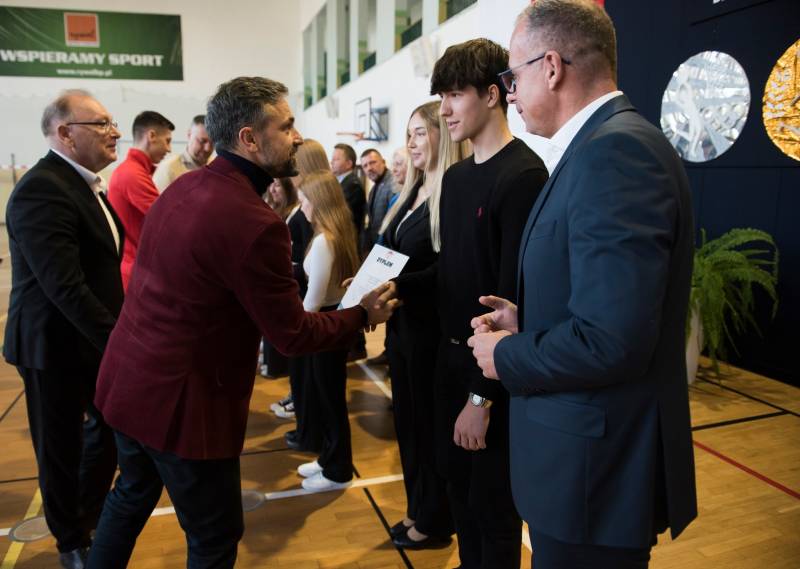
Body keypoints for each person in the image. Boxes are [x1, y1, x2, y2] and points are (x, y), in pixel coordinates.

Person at [87, 77, 396, 569]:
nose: (297, 136)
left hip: (128, 382)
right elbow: (292, 334)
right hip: (181, 406)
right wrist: (361, 314)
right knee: (213, 538)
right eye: (287, 126)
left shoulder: (184, 187)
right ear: (250, 138)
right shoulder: (254, 222)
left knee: (129, 497)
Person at [466, 2, 697, 568]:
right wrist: (527, 319)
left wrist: (506, 354)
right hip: (581, 467)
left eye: (512, 76)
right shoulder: (597, 148)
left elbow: (613, 340)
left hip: (594, 476)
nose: (510, 94)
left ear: (551, 68)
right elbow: (605, 305)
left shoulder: (615, 152)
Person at [375, 38, 549, 569]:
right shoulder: (455, 177)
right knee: (457, 495)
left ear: (492, 95)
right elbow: (452, 272)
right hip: (447, 362)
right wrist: (398, 289)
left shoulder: (523, 175)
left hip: (490, 373)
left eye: (454, 95)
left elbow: (510, 301)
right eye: (441, 97)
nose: (445, 109)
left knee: (493, 511)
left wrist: (481, 398)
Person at [3, 89, 124, 569]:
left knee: (111, 431)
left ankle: (87, 515)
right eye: (102, 124)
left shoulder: (85, 185)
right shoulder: (42, 189)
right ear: (65, 133)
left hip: (87, 339)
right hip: (51, 345)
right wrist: (119, 342)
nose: (115, 131)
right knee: (59, 448)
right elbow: (65, 287)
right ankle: (70, 541)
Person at [380, 101, 470, 550]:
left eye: (420, 132)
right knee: (408, 427)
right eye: (408, 133)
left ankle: (434, 521)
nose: (411, 143)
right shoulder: (412, 191)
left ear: (442, 135)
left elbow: (447, 271)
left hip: (430, 333)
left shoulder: (451, 193)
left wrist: (397, 286)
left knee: (429, 428)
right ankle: (418, 507)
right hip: (401, 329)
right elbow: (388, 253)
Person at [294, 171, 361, 491]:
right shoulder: (335, 234)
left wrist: (293, 328)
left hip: (323, 325)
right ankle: (328, 458)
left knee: (330, 400)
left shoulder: (324, 241)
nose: (301, 207)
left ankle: (338, 469)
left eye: (304, 200)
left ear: (318, 202)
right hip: (332, 322)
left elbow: (313, 300)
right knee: (328, 397)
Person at [108, 111, 174, 291]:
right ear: (151, 136)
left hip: (137, 269)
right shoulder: (132, 174)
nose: (169, 149)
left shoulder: (134, 171)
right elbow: (169, 220)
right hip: (134, 273)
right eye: (167, 141)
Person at [331, 142, 368, 361]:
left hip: (350, 247)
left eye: (336, 159)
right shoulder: (342, 183)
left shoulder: (352, 185)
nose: (332, 162)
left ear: (349, 163)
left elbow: (342, 216)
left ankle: (357, 345)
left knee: (351, 296)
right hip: (346, 246)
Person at [152, 114, 214, 191]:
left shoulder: (216, 167)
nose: (207, 148)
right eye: (202, 141)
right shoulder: (168, 169)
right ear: (189, 135)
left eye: (213, 142)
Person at [360, 148, 395, 254]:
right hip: (378, 248)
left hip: (389, 249)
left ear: (383, 162)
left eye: (372, 162)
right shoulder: (373, 189)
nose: (369, 168)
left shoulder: (394, 183)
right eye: (365, 166)